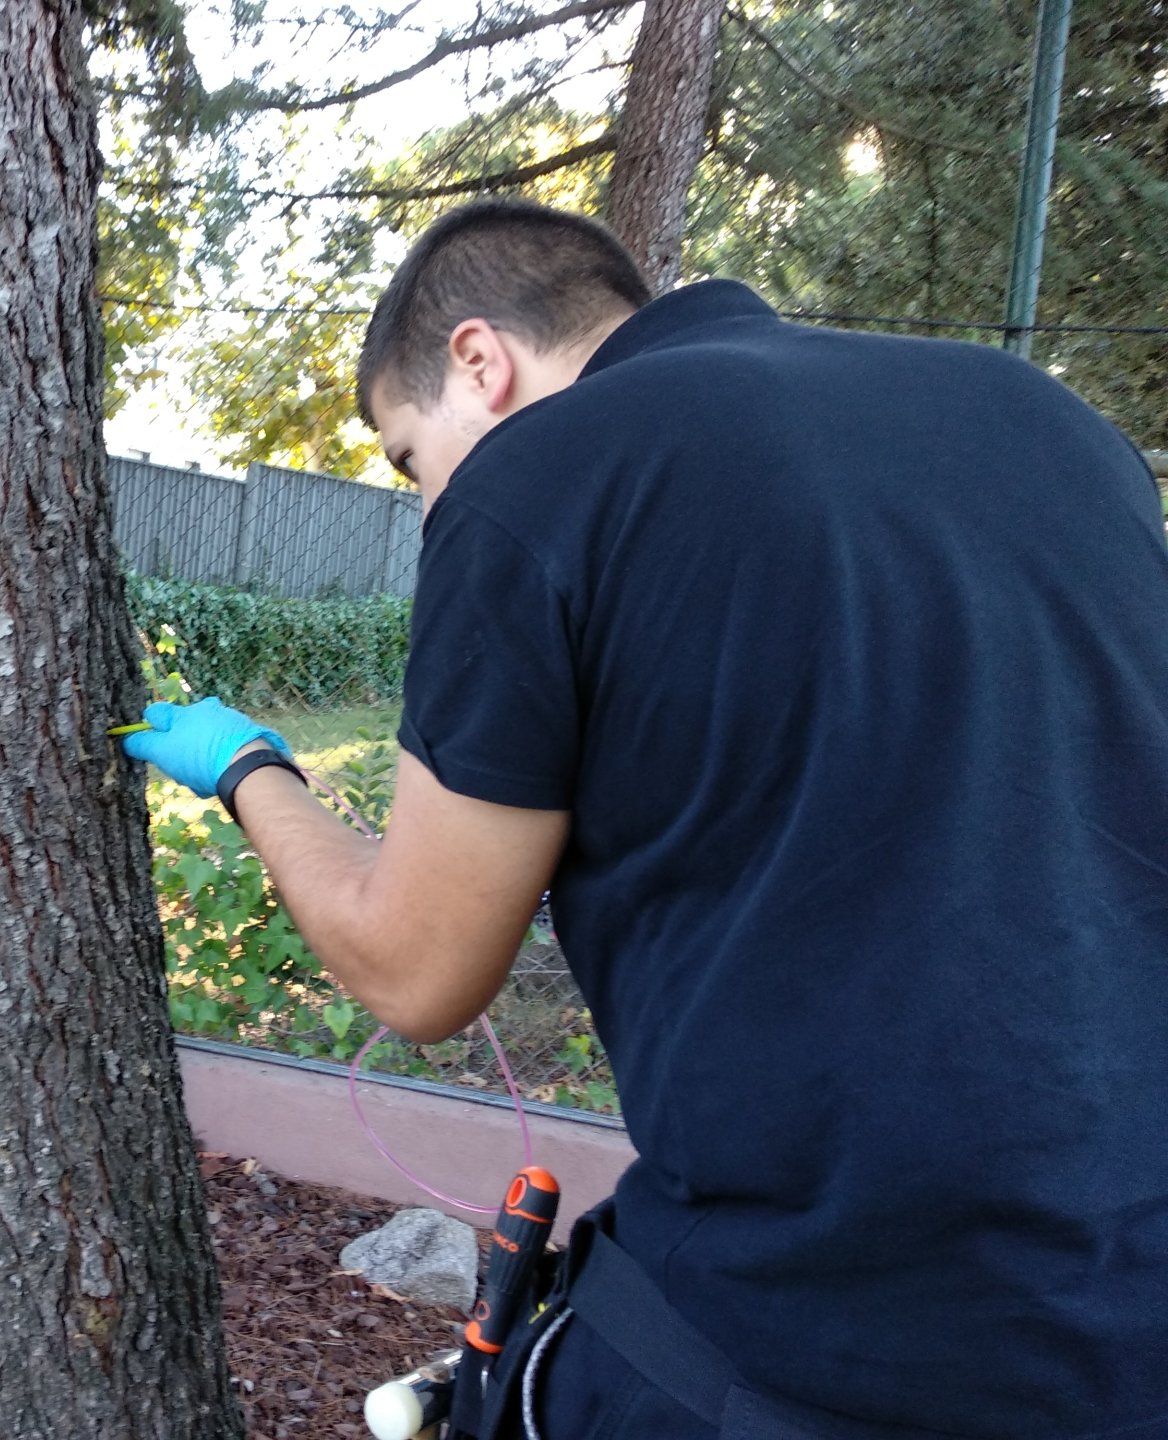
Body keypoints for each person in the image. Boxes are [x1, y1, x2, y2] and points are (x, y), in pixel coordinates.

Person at [120, 199, 1168, 1440]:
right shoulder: (1043, 418)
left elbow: (416, 970)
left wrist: (251, 770)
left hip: (829, 1335)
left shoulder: (537, 481)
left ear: (478, 361)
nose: (427, 509)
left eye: (411, 461)